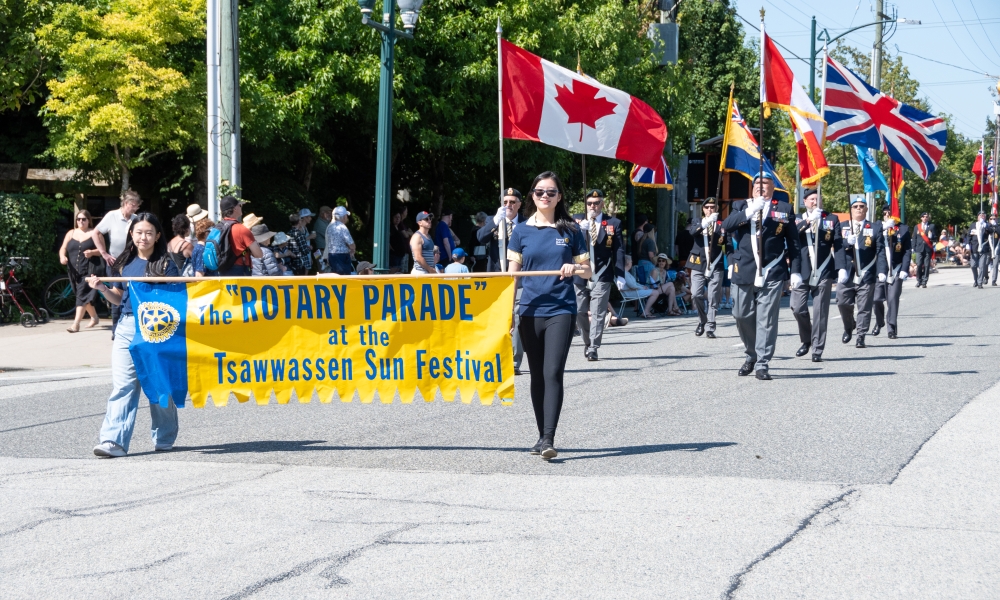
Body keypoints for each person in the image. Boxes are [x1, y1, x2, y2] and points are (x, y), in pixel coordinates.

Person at [507, 171, 591, 460]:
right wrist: (506, 311)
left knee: (552, 372)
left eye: (551, 192)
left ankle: (548, 438)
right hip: (529, 310)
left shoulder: (571, 230)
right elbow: (511, 277)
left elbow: (589, 271)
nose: (545, 196)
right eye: (540, 191)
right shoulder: (520, 231)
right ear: (532, 195)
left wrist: (574, 269)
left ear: (560, 196)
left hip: (561, 309)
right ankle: (541, 434)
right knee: (536, 376)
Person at [85, 213, 179, 458]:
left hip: (157, 328)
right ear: (131, 234)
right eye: (138, 232)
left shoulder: (167, 265)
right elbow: (118, 297)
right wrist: (103, 289)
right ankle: (113, 440)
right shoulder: (123, 262)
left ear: (158, 235)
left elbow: (177, 300)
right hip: (126, 326)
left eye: (149, 232)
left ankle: (165, 434)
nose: (143, 237)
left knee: (158, 385)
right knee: (123, 385)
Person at [721, 171, 800, 380]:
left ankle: (762, 363)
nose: (760, 187)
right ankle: (752, 353)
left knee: (766, 318)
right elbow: (727, 226)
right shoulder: (740, 205)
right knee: (740, 314)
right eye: (757, 183)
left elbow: (793, 243)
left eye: (765, 183)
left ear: (773, 187)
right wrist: (749, 211)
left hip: (773, 270)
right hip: (744, 269)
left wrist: (796, 272)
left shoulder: (783, 209)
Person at [477, 188, 526, 373]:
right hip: (498, 276)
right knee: (498, 318)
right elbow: (480, 238)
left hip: (519, 277)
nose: (509, 205)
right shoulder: (495, 221)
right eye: (505, 202)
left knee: (517, 316)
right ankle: (496, 357)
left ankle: (514, 361)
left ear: (519, 204)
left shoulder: (526, 223)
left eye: (513, 202)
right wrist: (495, 222)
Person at [790, 188, 841, 362]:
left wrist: (841, 268)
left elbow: (838, 244)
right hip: (802, 270)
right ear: (804, 202)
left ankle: (817, 350)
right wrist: (808, 221)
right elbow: (792, 236)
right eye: (811, 199)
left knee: (820, 312)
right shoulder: (797, 218)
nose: (815, 202)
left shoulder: (831, 219)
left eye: (817, 198)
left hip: (824, 270)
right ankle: (807, 339)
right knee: (797, 308)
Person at [574, 189, 624, 361]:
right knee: (580, 311)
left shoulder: (613, 223)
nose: (592, 206)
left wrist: (621, 274)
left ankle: (594, 347)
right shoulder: (576, 219)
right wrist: (580, 232)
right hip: (580, 272)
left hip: (603, 272)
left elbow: (618, 249)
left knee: (598, 312)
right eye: (589, 203)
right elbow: (567, 245)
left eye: (596, 203)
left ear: (602, 203)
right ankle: (587, 342)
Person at [836, 197, 885, 349]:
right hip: (847, 274)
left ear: (866, 209)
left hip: (866, 274)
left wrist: (882, 271)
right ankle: (849, 326)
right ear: (851, 209)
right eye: (855, 206)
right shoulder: (842, 226)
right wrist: (845, 242)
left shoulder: (875, 228)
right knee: (843, 303)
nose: (858, 208)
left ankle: (861, 336)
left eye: (861, 206)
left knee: (864, 307)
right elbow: (836, 247)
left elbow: (881, 251)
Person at [92, 189, 142, 338]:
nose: (135, 208)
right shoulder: (112, 216)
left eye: (136, 206)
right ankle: (116, 329)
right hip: (114, 261)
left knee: (130, 292)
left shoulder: (135, 218)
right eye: (133, 205)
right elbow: (96, 232)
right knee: (116, 293)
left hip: (131, 261)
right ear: (126, 203)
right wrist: (103, 253)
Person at [688, 198, 727, 337]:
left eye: (713, 207)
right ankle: (702, 320)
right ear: (703, 209)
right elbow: (692, 232)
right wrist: (706, 222)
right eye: (707, 207)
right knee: (696, 294)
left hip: (716, 263)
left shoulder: (722, 224)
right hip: (698, 262)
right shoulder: (697, 221)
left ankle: (710, 326)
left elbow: (726, 244)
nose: (710, 209)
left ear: (716, 208)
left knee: (713, 296)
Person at [59, 210, 102, 332]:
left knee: (81, 295)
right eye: (78, 219)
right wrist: (63, 257)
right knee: (82, 296)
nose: (81, 221)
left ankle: (75, 324)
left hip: (90, 269)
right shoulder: (71, 233)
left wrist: (92, 252)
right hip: (73, 270)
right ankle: (94, 317)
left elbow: (103, 251)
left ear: (89, 220)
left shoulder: (95, 233)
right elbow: (63, 248)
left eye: (83, 219)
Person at [873, 206, 911, 339]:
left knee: (893, 299)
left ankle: (892, 328)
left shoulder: (903, 229)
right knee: (876, 299)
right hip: (879, 269)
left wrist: (905, 269)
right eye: (886, 212)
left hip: (896, 269)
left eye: (891, 212)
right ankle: (879, 321)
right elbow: (870, 237)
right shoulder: (876, 225)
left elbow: (907, 251)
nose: (888, 214)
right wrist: (883, 228)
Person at [211, 195, 263, 276]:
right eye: (240, 205)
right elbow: (258, 254)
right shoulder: (242, 229)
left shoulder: (217, 228)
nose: (241, 207)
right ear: (235, 209)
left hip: (222, 271)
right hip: (240, 271)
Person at [325, 206, 356, 275]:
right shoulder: (342, 227)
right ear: (344, 217)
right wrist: (353, 250)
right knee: (344, 277)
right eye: (346, 216)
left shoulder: (330, 227)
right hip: (342, 256)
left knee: (335, 276)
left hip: (331, 255)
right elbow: (351, 244)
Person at [969, 211, 992, 288]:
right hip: (975, 247)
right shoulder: (973, 225)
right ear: (977, 217)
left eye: (983, 216)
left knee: (981, 266)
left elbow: (992, 231)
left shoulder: (988, 225)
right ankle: (975, 280)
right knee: (973, 265)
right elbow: (969, 235)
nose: (981, 217)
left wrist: (985, 226)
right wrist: (967, 244)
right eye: (980, 216)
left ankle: (979, 282)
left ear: (985, 217)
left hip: (984, 247)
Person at [913, 212, 935, 288]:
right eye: (924, 217)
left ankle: (924, 281)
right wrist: (914, 247)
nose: (925, 218)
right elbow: (914, 238)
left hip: (927, 248)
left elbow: (935, 238)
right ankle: (919, 280)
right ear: (921, 218)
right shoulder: (917, 227)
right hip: (919, 248)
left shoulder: (931, 226)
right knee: (919, 264)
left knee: (926, 265)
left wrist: (931, 237)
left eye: (926, 217)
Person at [389, 207, 410, 273]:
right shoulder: (391, 228)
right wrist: (392, 248)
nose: (397, 219)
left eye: (399, 217)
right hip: (394, 255)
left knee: (400, 272)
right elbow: (387, 240)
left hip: (400, 255)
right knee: (394, 273)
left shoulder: (398, 227)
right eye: (396, 217)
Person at [313, 206, 332, 271]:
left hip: (323, 251)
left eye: (330, 213)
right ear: (322, 214)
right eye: (328, 213)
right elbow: (330, 236)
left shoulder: (326, 222)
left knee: (327, 270)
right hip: (321, 252)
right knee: (325, 271)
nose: (330, 215)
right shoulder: (319, 223)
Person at [988, 216, 1000, 286]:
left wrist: (995, 226)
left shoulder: (998, 227)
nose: (992, 220)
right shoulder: (986, 226)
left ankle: (994, 280)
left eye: (994, 219)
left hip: (996, 249)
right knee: (985, 265)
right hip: (988, 249)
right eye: (991, 219)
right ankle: (985, 277)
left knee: (995, 265)